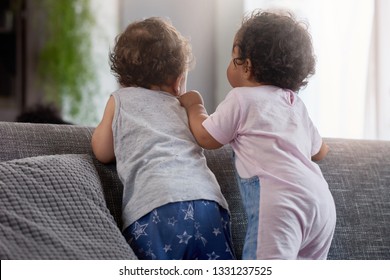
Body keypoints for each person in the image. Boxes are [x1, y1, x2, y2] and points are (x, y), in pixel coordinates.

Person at [179, 10, 336, 259]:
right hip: (321, 203)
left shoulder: (241, 98)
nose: (230, 65)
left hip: (281, 205)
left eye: (233, 58)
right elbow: (320, 151)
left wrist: (194, 106)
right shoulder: (294, 103)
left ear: (247, 67)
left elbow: (207, 137)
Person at [91, 17, 235, 260]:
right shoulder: (184, 107)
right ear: (179, 80)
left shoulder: (120, 100)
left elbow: (102, 151)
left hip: (155, 207)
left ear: (123, 77)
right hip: (208, 203)